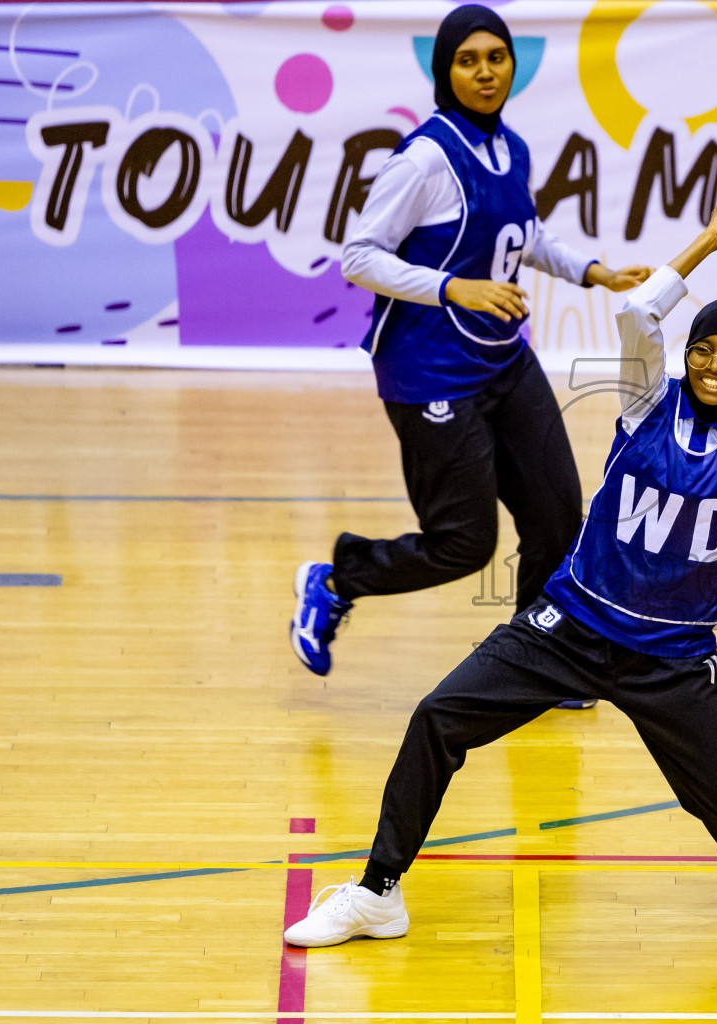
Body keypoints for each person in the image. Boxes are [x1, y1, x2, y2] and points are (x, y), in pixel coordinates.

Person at [282, 192, 717, 947]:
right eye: (704, 349)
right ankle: (377, 891)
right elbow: (636, 316)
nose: (714, 366)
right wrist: (709, 244)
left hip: (672, 657)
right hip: (570, 627)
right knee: (437, 719)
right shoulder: (648, 402)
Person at [290, 4, 651, 687]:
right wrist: (456, 287)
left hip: (503, 360)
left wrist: (593, 272)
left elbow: (527, 235)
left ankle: (540, 663)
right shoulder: (425, 159)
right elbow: (358, 258)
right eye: (467, 60)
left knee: (555, 514)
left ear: (513, 65)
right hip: (429, 374)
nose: (485, 72)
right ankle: (337, 578)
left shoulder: (510, 147)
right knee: (465, 543)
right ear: (444, 71)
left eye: (496, 57)